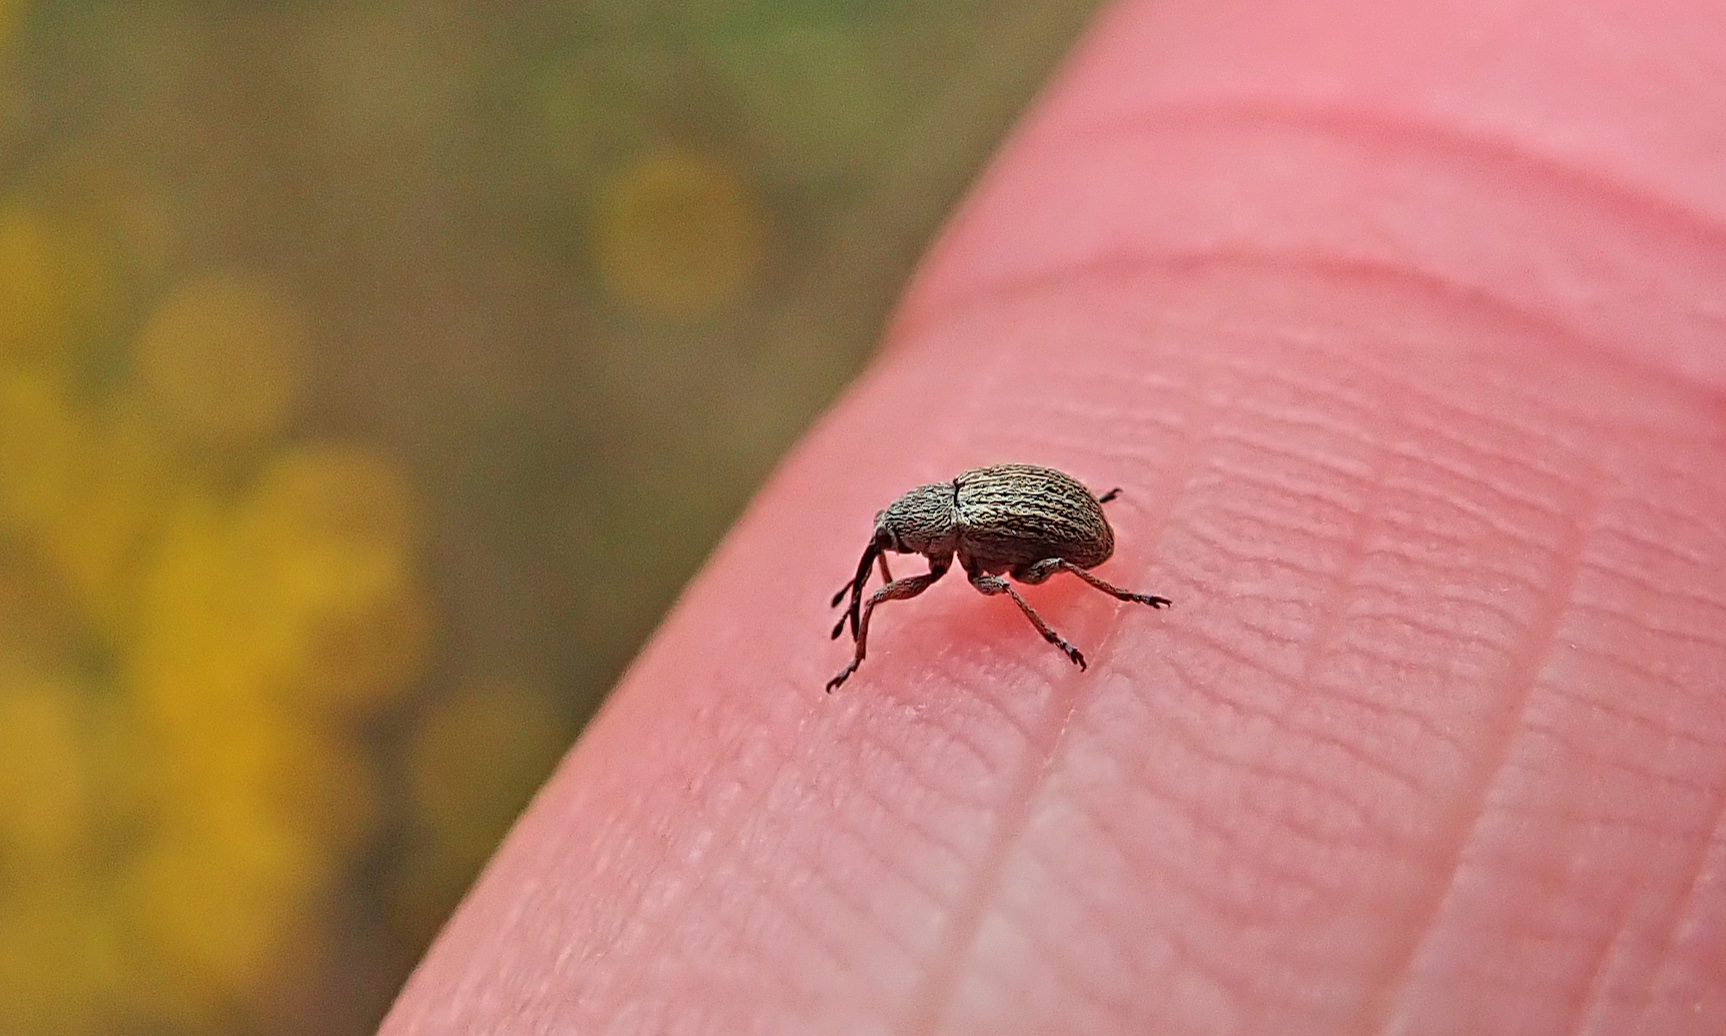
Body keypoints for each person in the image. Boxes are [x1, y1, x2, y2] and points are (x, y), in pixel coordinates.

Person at [381, 0, 1726, 1031]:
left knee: (1036, 596)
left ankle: (1107, 615)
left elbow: (1029, 559)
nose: (897, 570)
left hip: (1065, 525)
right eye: (895, 561)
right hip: (1045, 506)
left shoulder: (984, 545)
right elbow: (952, 554)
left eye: (894, 559)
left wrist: (1089, 605)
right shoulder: (939, 526)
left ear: (928, 532)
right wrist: (860, 619)